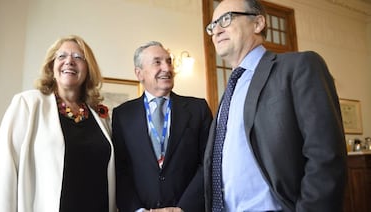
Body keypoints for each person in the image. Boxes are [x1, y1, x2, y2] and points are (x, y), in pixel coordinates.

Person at [203, 0, 347, 212]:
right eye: (212, 25)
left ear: (258, 23)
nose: (216, 30)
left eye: (226, 19)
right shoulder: (230, 91)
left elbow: (326, 156)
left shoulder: (299, 66)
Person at [0, 35, 116, 212]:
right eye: (61, 56)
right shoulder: (28, 104)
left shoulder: (100, 117)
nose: (69, 61)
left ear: (88, 69)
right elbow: (3, 172)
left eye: (78, 57)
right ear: (51, 67)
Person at [112, 41, 213, 212]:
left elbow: (208, 161)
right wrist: (138, 210)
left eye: (169, 61)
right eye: (157, 62)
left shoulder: (198, 109)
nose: (167, 68)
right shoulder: (122, 115)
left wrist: (183, 208)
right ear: (139, 73)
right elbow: (121, 170)